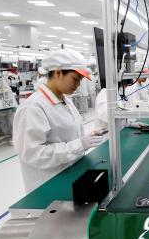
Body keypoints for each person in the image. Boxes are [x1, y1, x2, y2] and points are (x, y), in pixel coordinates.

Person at [13, 49, 103, 193]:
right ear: (58, 73)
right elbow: (33, 154)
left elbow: (66, 136)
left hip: (70, 175)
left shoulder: (65, 100)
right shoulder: (33, 108)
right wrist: (79, 145)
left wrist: (86, 138)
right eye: (75, 79)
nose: (78, 85)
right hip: (48, 185)